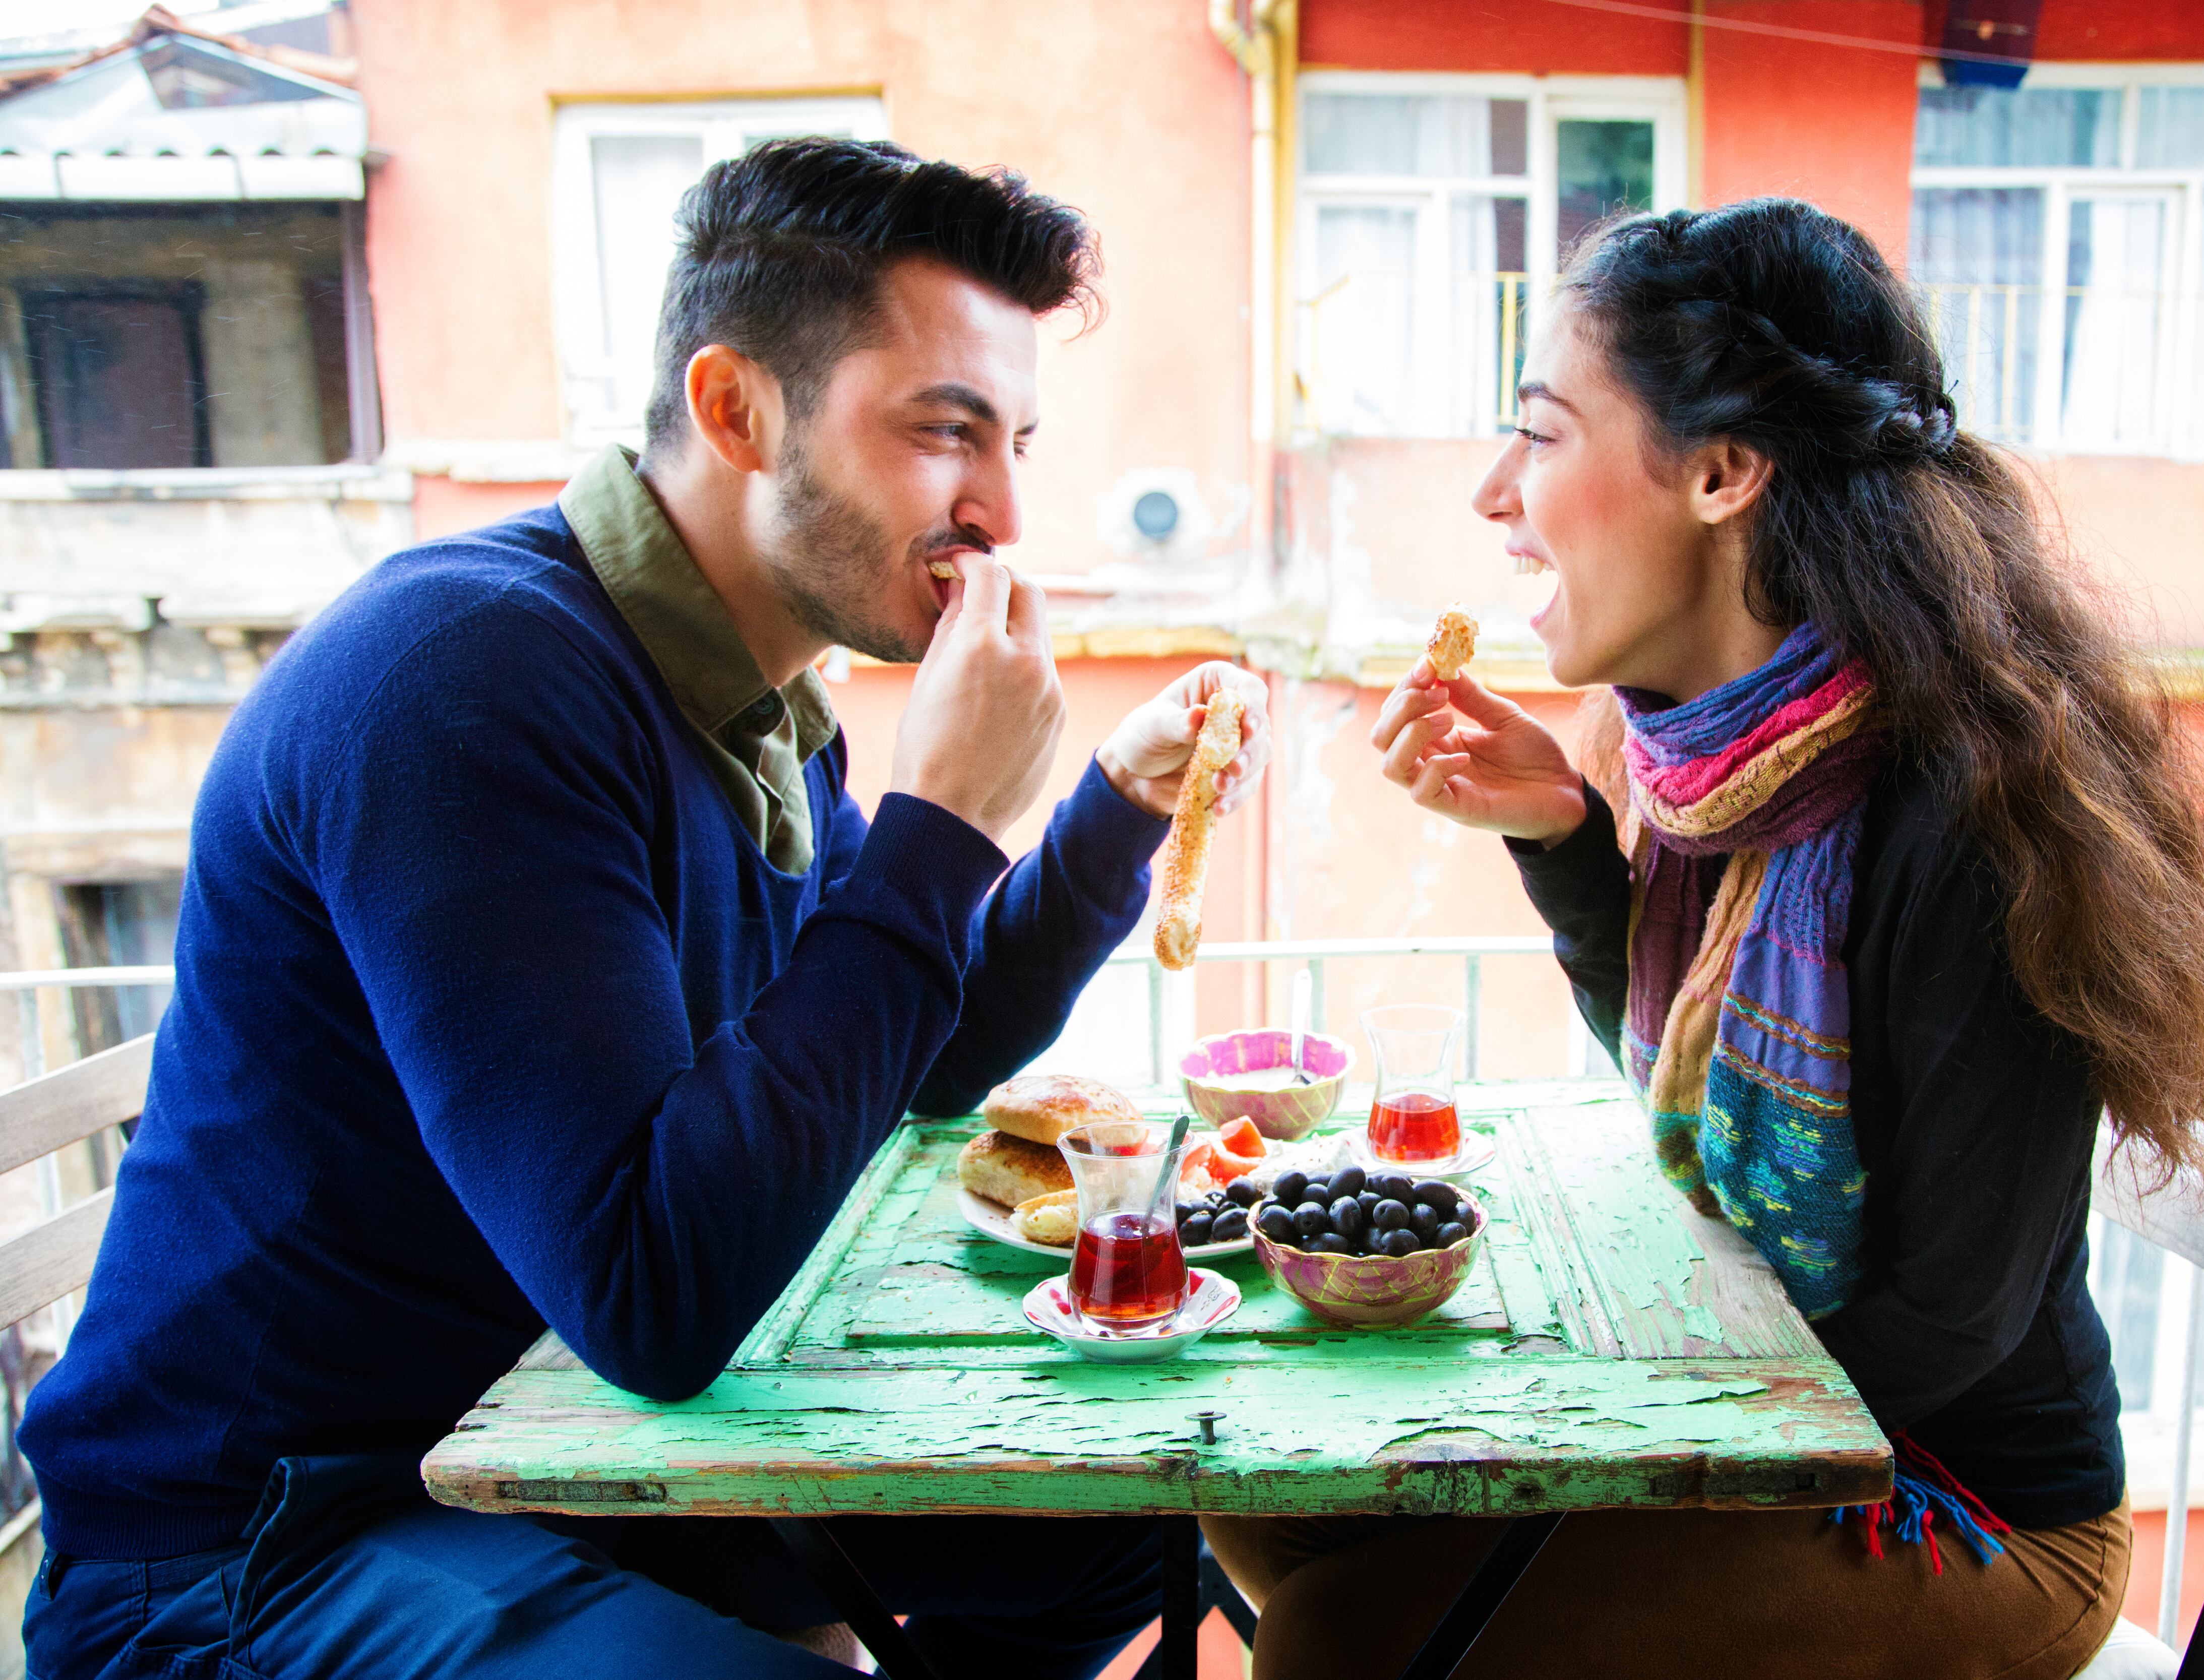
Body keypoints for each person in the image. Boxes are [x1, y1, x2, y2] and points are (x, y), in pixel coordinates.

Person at [21, 138, 1269, 1680]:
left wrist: (1110, 814)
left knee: (1106, 1545)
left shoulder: (748, 698)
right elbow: (654, 1293)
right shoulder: (465, 682)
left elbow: (907, 1066)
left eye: (1015, 440)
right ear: (736, 409)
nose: (1000, 509)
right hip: (271, 1536)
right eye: (947, 433)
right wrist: (943, 823)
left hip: (570, 1438)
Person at [1205, 198, 2204, 1679]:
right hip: (1804, 1407)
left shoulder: (1965, 817)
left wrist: (1603, 1426)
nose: (1496, 494)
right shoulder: (1730, 771)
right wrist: (1568, 839)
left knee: (1350, 1633)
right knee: (1272, 1516)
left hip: (1964, 1508)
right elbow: (1687, 1097)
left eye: (1545, 430)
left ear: (1721, 473)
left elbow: (1950, 1319)